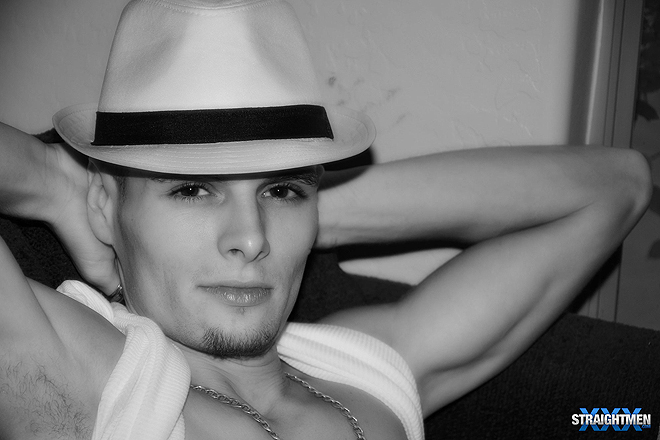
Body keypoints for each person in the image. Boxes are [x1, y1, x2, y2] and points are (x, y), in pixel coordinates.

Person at [0, 0, 651, 439]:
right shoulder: (86, 376)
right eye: (192, 189)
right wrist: (52, 180)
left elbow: (615, 186)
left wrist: (306, 213)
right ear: (104, 204)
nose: (250, 239)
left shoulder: (365, 370)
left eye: (282, 192)